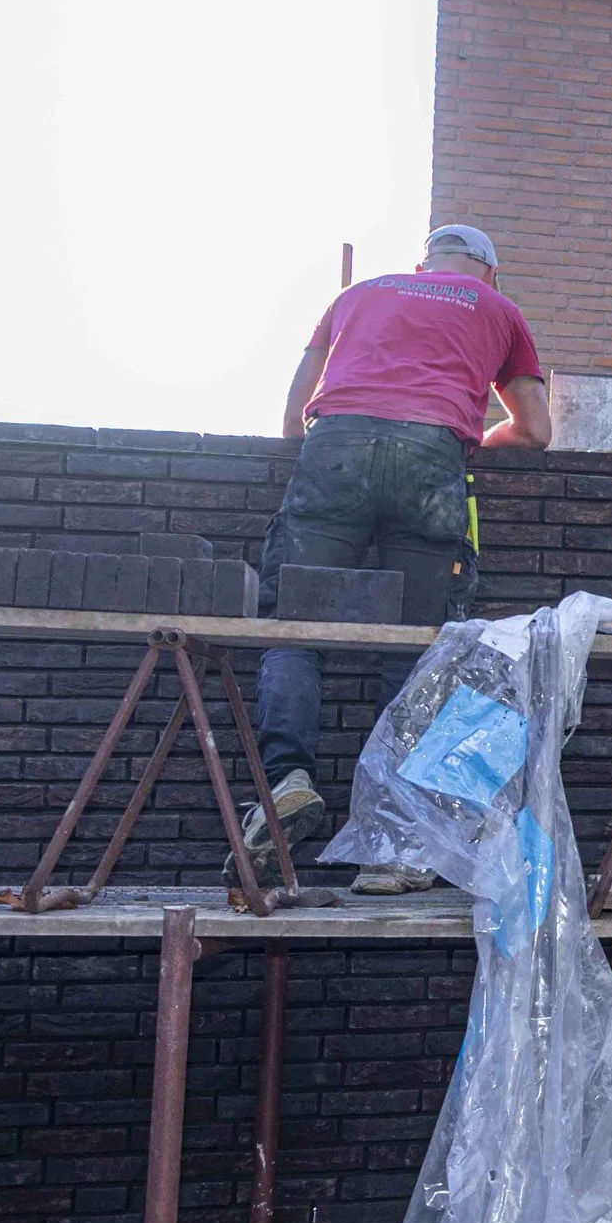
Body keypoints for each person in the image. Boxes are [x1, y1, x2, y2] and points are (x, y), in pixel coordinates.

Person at [235, 224, 551, 893]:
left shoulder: (359, 293)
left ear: (425, 261)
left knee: (293, 628)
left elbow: (295, 415)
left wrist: (318, 450)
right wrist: (466, 432)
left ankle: (284, 782)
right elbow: (535, 430)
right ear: (489, 273)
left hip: (336, 445)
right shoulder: (499, 311)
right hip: (432, 456)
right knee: (415, 648)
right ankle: (393, 850)